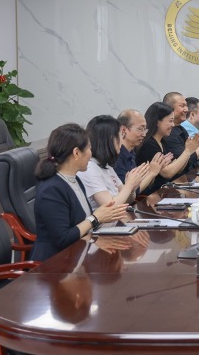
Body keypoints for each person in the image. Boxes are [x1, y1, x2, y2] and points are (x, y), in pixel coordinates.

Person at [32, 123, 129, 262]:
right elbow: (63, 239)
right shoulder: (51, 190)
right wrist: (96, 218)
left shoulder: (74, 179)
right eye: (89, 148)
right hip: (54, 264)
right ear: (76, 153)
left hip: (78, 255)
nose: (91, 153)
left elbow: (82, 225)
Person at [79, 115, 167, 209]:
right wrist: (129, 185)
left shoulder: (107, 166)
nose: (122, 141)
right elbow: (110, 207)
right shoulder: (90, 168)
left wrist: (132, 188)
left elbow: (128, 200)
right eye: (120, 135)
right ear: (110, 139)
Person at [135, 102, 199, 194]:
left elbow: (178, 169)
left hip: (164, 191)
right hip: (150, 195)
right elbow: (167, 173)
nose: (173, 125)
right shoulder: (149, 144)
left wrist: (188, 151)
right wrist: (187, 151)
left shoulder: (163, 141)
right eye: (170, 121)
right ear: (157, 122)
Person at [115, 109, 173, 183]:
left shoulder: (132, 152)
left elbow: (140, 184)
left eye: (145, 129)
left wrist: (154, 169)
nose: (144, 134)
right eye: (140, 129)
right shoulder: (116, 156)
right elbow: (130, 188)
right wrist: (151, 173)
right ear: (123, 130)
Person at [162, 92, 199, 173]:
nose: (186, 110)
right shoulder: (169, 133)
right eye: (182, 106)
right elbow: (187, 160)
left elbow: (193, 155)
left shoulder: (181, 129)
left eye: (186, 106)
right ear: (169, 109)